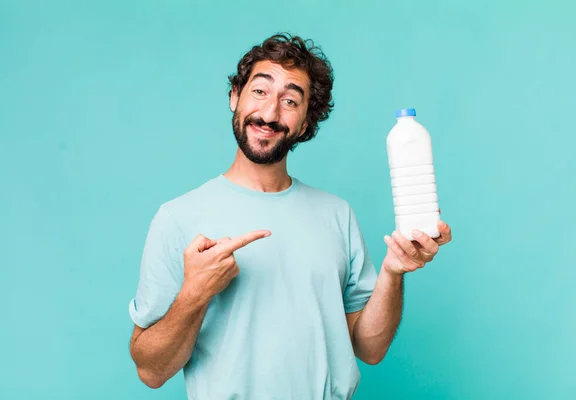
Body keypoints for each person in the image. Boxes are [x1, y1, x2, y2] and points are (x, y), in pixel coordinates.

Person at [128, 32, 452, 399]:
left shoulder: (337, 214)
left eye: (290, 101)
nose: (269, 113)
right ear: (235, 97)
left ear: (305, 124)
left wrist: (393, 272)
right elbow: (150, 371)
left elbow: (370, 349)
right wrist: (194, 294)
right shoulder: (177, 218)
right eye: (260, 91)